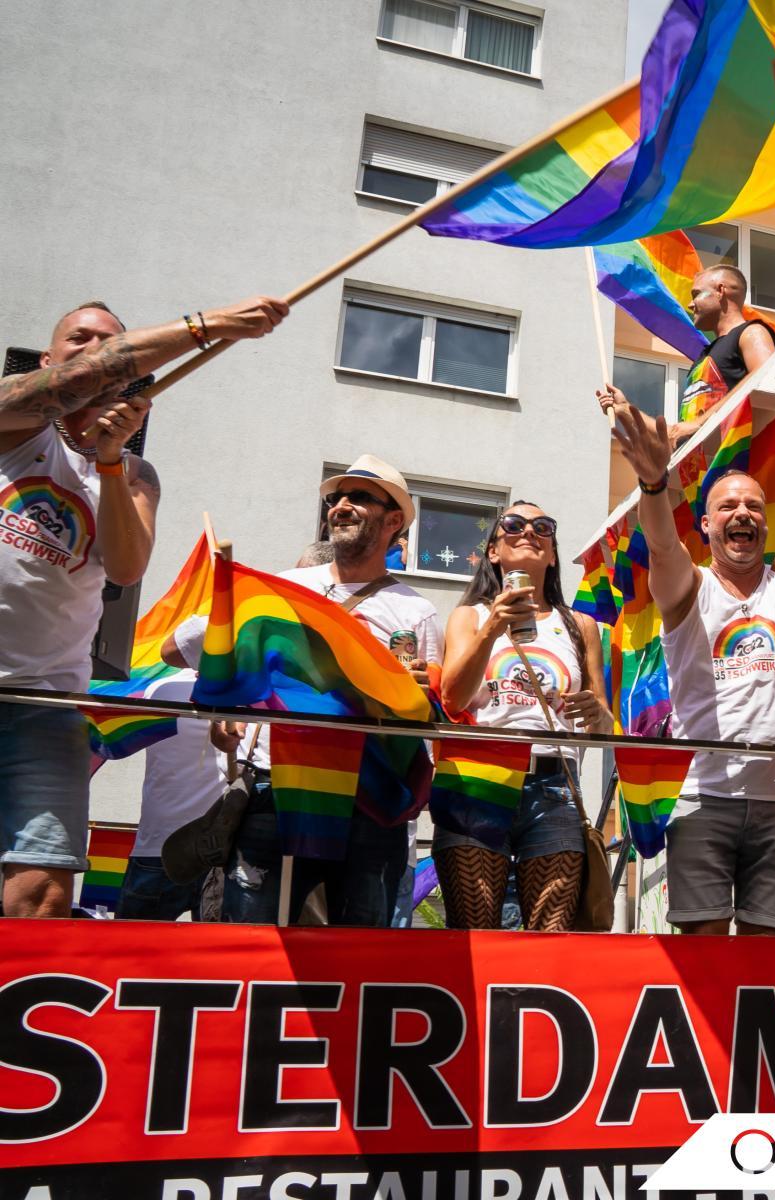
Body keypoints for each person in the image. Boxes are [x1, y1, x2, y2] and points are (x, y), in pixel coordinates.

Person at [0, 295, 285, 918]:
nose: (94, 352)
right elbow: (76, 382)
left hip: (46, 707)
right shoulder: (14, 418)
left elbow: (126, 567)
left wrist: (106, 462)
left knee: (42, 896)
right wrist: (206, 328)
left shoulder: (133, 473)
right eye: (80, 338)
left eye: (109, 343)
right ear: (47, 359)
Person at [605, 344, 775, 935]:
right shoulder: (689, 585)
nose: (743, 514)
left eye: (753, 507)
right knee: (705, 954)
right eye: (727, 506)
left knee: (767, 954)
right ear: (706, 525)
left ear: (765, 521)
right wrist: (655, 485)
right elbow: (660, 545)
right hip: (700, 797)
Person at [166, 456, 443, 925]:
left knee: (357, 951)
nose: (341, 506)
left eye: (360, 498)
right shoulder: (281, 590)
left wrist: (417, 689)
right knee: (252, 944)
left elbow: (427, 714)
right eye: (336, 498)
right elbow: (177, 649)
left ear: (394, 520)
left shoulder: (416, 612)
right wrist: (233, 688)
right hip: (277, 786)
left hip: (367, 795)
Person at [436, 501, 610, 930]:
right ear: (493, 551)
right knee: (474, 932)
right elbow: (453, 697)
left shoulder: (579, 624)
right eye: (513, 525)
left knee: (548, 937)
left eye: (543, 527)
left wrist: (596, 713)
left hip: (555, 783)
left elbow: (603, 726)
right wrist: (493, 625)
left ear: (552, 555)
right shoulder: (470, 616)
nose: (529, 531)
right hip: (479, 777)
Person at [116, 669, 229, 921]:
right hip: (218, 849)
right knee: (215, 956)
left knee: (131, 952)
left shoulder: (162, 689)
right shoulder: (256, 694)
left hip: (158, 845)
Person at [673, 265, 775, 436]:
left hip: (734, 460)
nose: (690, 304)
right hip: (700, 462)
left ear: (720, 290)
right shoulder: (704, 355)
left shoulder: (751, 332)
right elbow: (679, 431)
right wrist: (625, 409)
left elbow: (766, 378)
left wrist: (701, 423)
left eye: (696, 294)